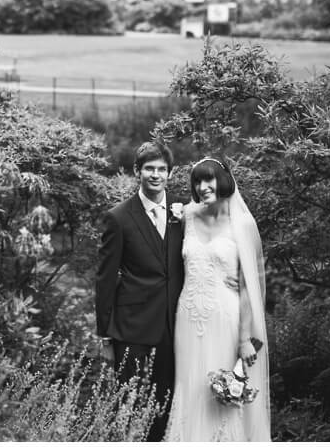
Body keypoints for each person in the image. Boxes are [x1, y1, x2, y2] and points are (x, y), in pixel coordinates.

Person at [164, 157, 271, 441]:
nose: (202, 187)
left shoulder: (242, 223)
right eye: (197, 181)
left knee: (221, 393)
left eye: (208, 179)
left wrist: (245, 338)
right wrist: (176, 210)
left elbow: (250, 287)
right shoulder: (187, 214)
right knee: (189, 387)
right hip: (187, 317)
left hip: (226, 318)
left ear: (222, 180)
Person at [95, 141, 185, 442]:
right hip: (131, 328)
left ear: (169, 174)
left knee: (165, 405)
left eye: (162, 169)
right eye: (149, 168)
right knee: (129, 404)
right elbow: (105, 279)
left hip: (173, 328)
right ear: (138, 171)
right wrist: (104, 335)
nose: (156, 175)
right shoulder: (118, 217)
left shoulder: (182, 214)